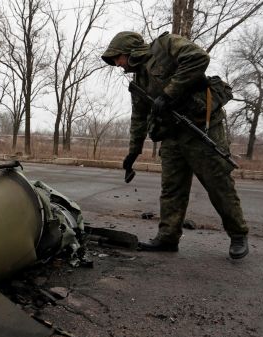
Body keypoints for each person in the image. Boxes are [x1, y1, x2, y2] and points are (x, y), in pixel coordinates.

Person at [101, 31, 249, 259]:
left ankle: (238, 234)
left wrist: (169, 94)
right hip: (171, 134)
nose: (117, 64)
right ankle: (168, 238)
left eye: (117, 58)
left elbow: (199, 58)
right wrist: (133, 153)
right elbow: (138, 118)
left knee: (218, 183)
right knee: (172, 189)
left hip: (201, 127)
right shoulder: (139, 81)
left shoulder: (166, 45)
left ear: (129, 52)